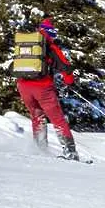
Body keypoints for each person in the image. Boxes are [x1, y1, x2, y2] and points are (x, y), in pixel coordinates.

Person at [16, 14, 80, 161]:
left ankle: (40, 150)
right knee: (58, 120)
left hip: (23, 86)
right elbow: (66, 68)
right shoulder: (50, 46)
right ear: (51, 33)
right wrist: (70, 82)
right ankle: (71, 154)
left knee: (37, 117)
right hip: (42, 88)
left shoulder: (27, 44)